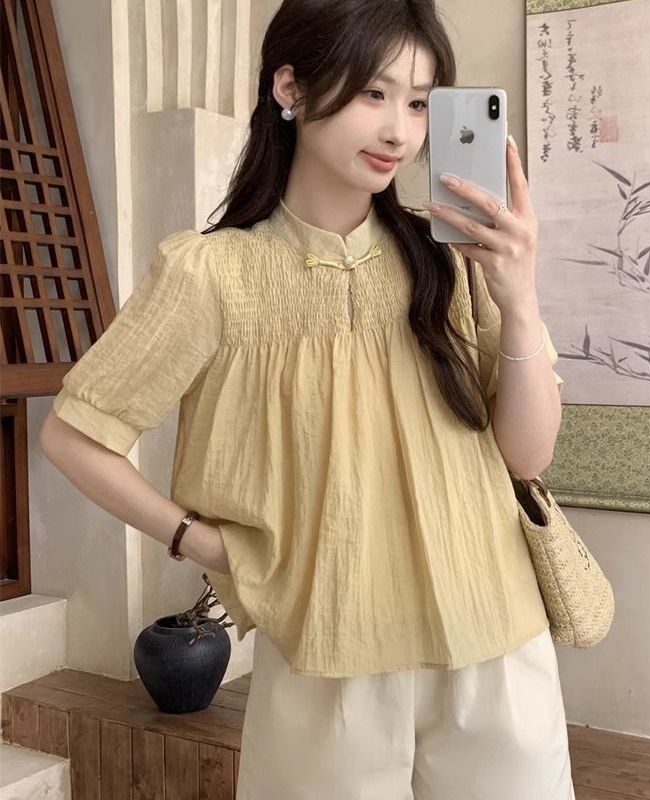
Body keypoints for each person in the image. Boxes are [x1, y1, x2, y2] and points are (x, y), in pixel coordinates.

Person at [40, 0, 575, 797]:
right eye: (373, 93)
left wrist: (520, 298)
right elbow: (74, 436)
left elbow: (528, 455)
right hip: (329, 656)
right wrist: (205, 545)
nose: (399, 130)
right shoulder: (211, 276)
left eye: (419, 103)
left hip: (497, 643)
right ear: (289, 87)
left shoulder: (451, 262)